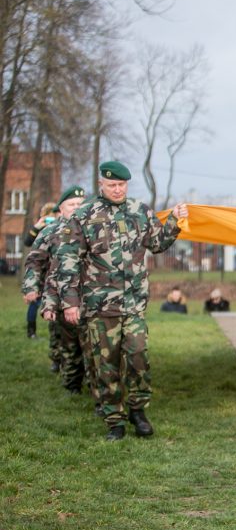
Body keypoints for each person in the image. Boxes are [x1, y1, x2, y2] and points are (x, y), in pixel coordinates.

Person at [57, 161, 188, 440]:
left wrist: (174, 221)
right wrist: (70, 302)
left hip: (134, 304)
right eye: (112, 185)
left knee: (138, 356)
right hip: (100, 307)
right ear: (101, 184)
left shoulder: (140, 211)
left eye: (122, 185)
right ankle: (114, 420)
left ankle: (138, 410)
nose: (118, 190)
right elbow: (67, 261)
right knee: (106, 366)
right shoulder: (84, 216)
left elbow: (157, 243)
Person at [22, 187, 86, 393]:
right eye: (71, 205)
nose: (76, 209)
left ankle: (97, 387)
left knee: (95, 346)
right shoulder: (50, 232)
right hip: (60, 296)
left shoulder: (93, 230)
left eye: (80, 204)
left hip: (92, 298)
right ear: (61, 208)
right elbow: (34, 261)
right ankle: (72, 384)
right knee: (69, 345)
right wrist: (31, 287)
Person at [23, 202, 58, 344]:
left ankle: (55, 337)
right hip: (40, 273)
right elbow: (27, 242)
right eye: (47, 218)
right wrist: (37, 227)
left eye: (52, 217)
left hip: (54, 271)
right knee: (34, 303)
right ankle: (31, 332)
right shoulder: (40, 228)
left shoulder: (60, 227)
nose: (50, 220)